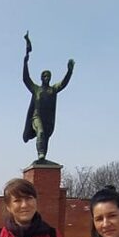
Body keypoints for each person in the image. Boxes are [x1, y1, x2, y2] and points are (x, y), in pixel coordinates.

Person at [22, 31, 74, 162]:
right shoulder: (36, 89)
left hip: (48, 119)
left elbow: (64, 83)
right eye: (44, 76)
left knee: (45, 136)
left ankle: (43, 156)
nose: (47, 78)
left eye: (48, 76)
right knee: (40, 132)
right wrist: (25, 63)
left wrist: (69, 71)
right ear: (41, 78)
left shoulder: (53, 89)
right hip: (36, 117)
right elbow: (26, 79)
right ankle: (41, 154)